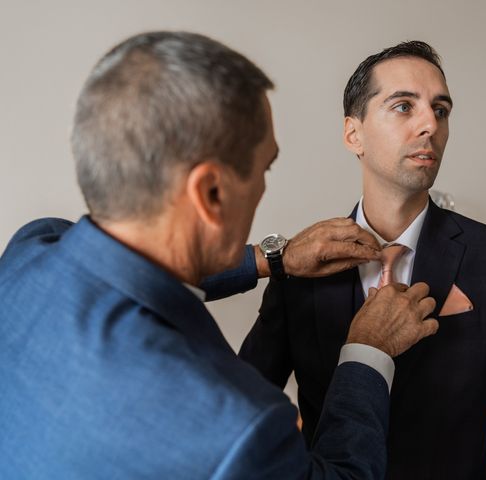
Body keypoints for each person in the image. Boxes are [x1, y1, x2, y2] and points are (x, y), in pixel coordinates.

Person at [0, 32, 440, 479]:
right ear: (211, 192)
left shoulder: (29, 252)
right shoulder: (237, 430)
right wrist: (368, 351)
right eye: (264, 168)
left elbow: (128, 271)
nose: (431, 126)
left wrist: (273, 259)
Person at [233, 41, 486, 478]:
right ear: (354, 134)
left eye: (440, 110)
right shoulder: (299, 265)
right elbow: (241, 414)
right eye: (404, 106)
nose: (430, 124)